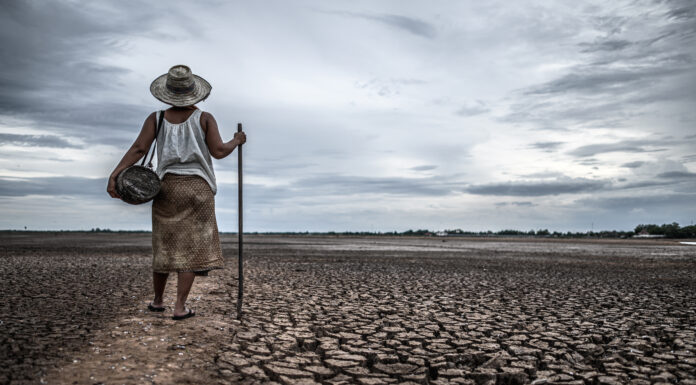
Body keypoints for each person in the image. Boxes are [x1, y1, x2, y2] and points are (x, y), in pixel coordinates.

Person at [107, 65, 246, 320]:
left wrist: (116, 174)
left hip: (166, 187)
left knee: (164, 244)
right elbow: (218, 151)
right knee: (191, 250)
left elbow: (139, 149)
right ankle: (180, 307)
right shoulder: (204, 118)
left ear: (167, 93)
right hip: (198, 188)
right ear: (195, 93)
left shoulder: (156, 118)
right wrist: (236, 141)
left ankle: (158, 301)